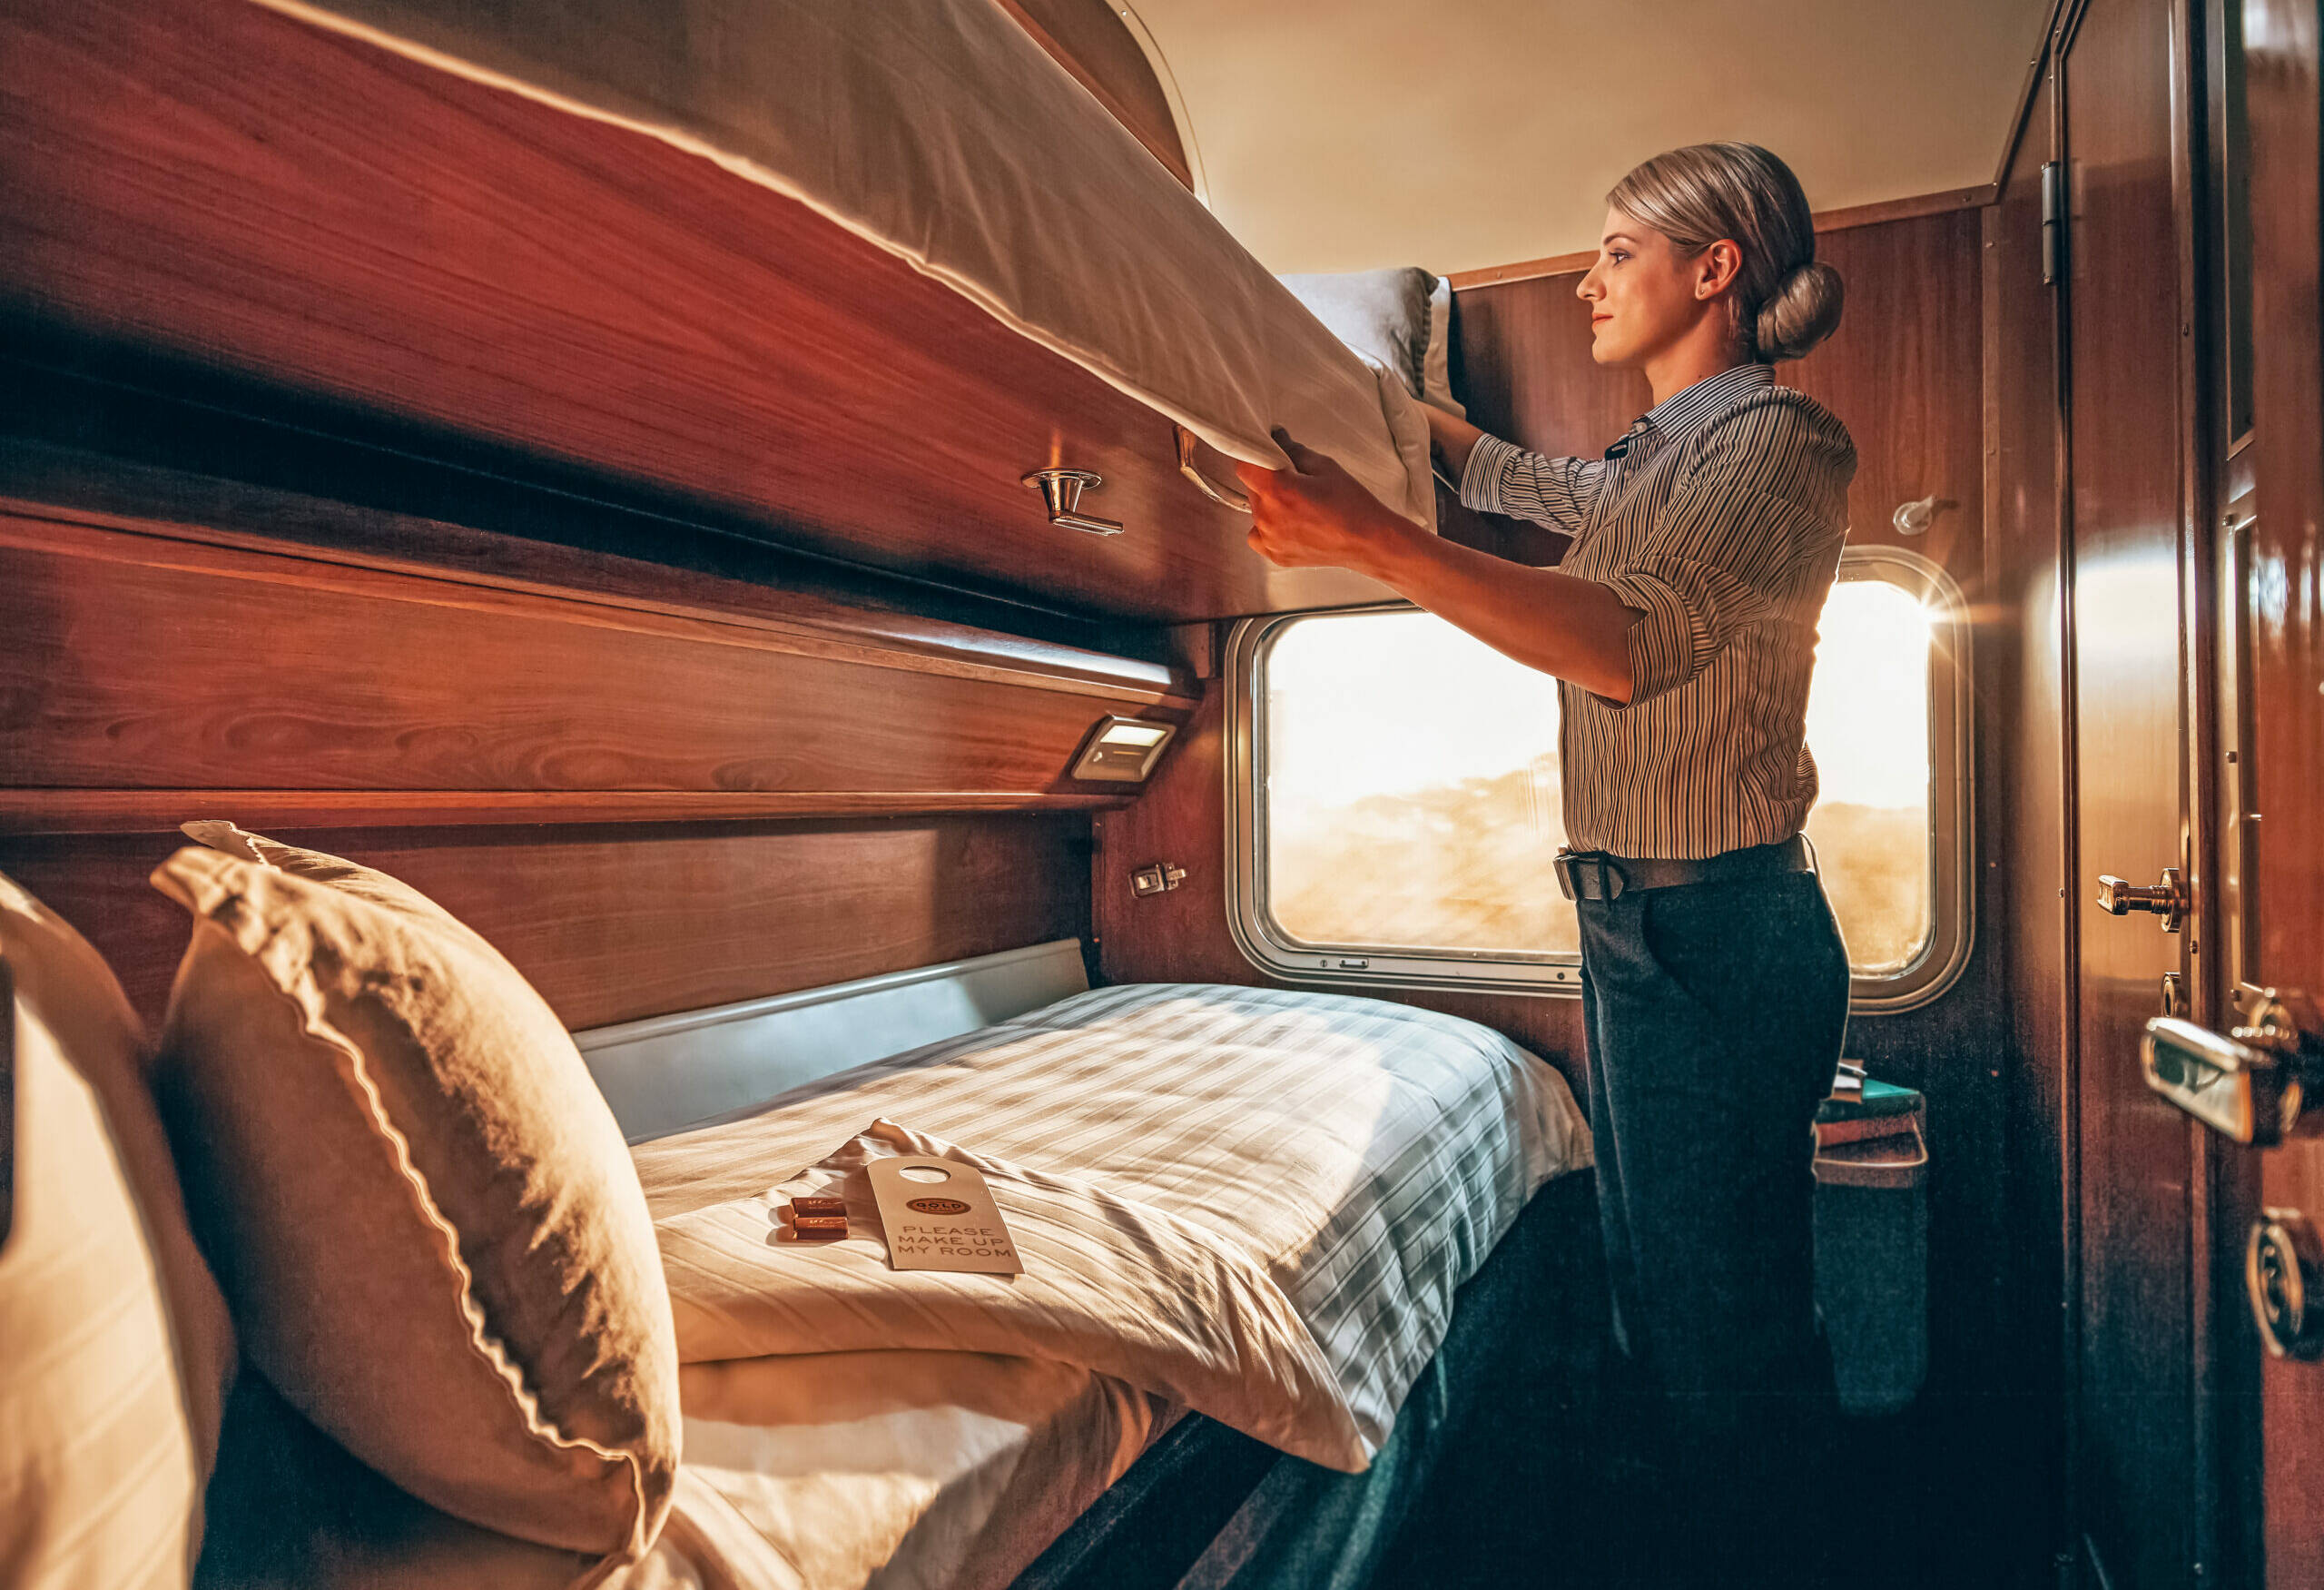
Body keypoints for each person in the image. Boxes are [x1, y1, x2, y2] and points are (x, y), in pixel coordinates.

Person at [1234, 142, 1855, 1585]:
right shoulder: (1657, 455)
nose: (1590, 278)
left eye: (1620, 251)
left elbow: (1621, 643)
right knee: (1670, 1300)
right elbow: (1543, 483)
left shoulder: (1778, 443)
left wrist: (1376, 539)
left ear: (1716, 270)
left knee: (1727, 1325)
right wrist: (1414, 425)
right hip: (1647, 931)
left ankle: (1771, 1558)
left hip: (1720, 934)